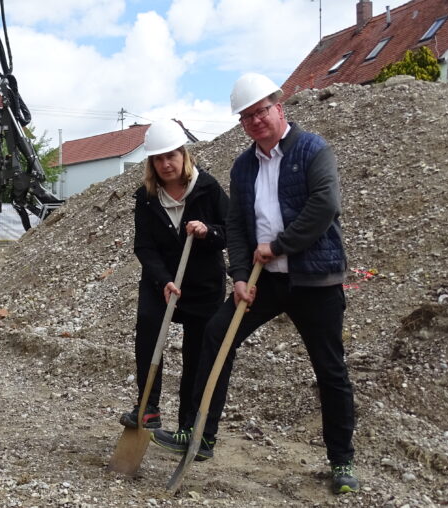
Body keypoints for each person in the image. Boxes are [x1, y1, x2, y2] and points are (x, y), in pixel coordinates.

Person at [150, 73, 358, 493]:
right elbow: (238, 227)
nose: (256, 120)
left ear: (279, 107)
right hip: (264, 284)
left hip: (315, 279)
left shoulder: (313, 150)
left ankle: (341, 461)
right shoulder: (244, 166)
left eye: (261, 110)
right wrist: (241, 276)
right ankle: (202, 436)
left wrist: (279, 246)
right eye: (247, 116)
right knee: (216, 334)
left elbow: (324, 207)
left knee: (329, 368)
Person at [120, 120, 228, 433]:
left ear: (184, 155)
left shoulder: (208, 189)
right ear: (152, 163)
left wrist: (209, 231)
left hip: (203, 287)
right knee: (148, 334)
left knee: (196, 354)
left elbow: (232, 232)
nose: (166, 164)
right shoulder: (146, 197)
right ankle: (148, 406)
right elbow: (144, 246)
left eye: (171, 156)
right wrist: (163, 280)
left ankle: (187, 424)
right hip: (161, 283)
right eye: (158, 158)